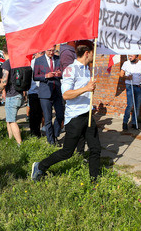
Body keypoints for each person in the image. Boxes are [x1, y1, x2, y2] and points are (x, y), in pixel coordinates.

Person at [31, 40, 101, 181]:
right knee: (67, 152)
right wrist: (86, 88)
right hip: (75, 117)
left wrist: (90, 103)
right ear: (87, 53)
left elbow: (85, 92)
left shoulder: (87, 69)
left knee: (95, 148)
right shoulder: (71, 69)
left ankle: (95, 180)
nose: (95, 56)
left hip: (86, 114)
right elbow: (66, 94)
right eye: (93, 53)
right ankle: (40, 166)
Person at [34, 46, 65, 145]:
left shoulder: (58, 59)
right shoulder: (39, 60)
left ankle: (55, 135)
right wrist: (45, 76)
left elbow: (64, 73)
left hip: (57, 91)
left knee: (60, 115)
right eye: (49, 51)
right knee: (47, 119)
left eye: (53, 50)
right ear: (45, 50)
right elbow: (35, 76)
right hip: (45, 93)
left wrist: (60, 74)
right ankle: (51, 141)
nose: (51, 53)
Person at [0, 46, 23, 145]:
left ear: (3, 52)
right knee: (9, 119)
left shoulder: (7, 63)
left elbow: (4, 81)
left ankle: (20, 144)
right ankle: (11, 139)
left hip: (12, 95)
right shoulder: (17, 62)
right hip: (19, 94)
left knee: (12, 121)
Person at [119, 55, 141, 131]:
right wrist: (127, 77)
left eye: (131, 56)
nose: (130, 57)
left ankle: (134, 123)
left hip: (139, 86)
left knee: (137, 106)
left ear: (137, 56)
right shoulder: (126, 63)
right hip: (129, 85)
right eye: (129, 56)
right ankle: (125, 122)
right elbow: (121, 74)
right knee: (130, 105)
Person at [28, 52, 44, 137]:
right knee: (34, 113)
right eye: (41, 53)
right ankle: (34, 132)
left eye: (43, 53)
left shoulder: (44, 62)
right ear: (36, 54)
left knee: (40, 113)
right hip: (33, 91)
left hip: (42, 91)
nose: (42, 55)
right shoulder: (32, 63)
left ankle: (38, 131)